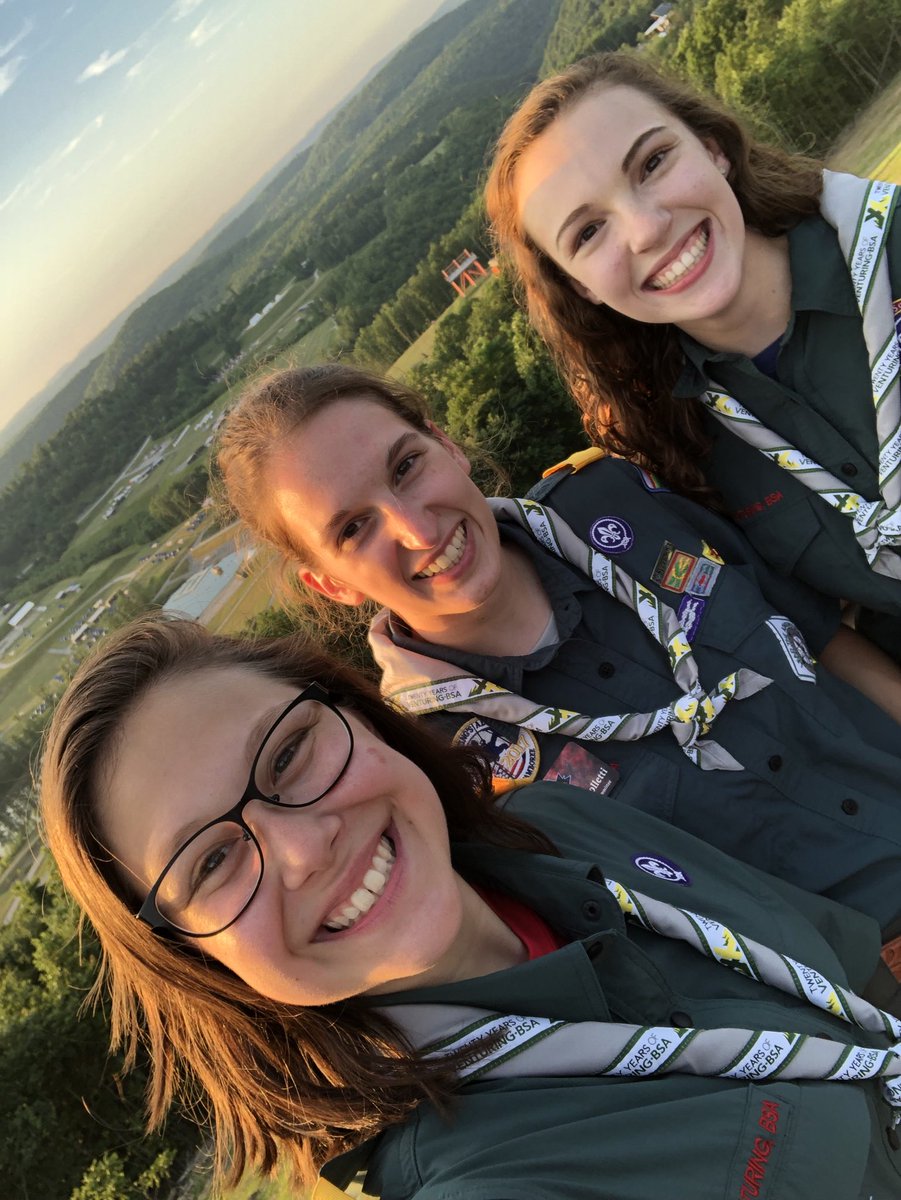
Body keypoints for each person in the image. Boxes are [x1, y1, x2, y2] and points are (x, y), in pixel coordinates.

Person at [40, 613, 901, 1198]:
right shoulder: (485, 1180)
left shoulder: (558, 821)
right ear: (194, 960)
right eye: (212, 862)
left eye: (289, 753)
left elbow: (850, 968)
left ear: (359, 715)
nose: (304, 850)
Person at [215, 364, 901, 972]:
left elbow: (823, 641)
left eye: (406, 467)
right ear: (330, 584)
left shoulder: (612, 497)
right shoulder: (434, 767)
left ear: (446, 444)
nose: (418, 530)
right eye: (353, 529)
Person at [484, 52, 901, 663]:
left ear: (713, 149)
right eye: (589, 232)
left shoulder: (889, 246)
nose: (646, 229)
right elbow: (825, 633)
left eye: (652, 163)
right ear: (580, 286)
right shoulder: (674, 447)